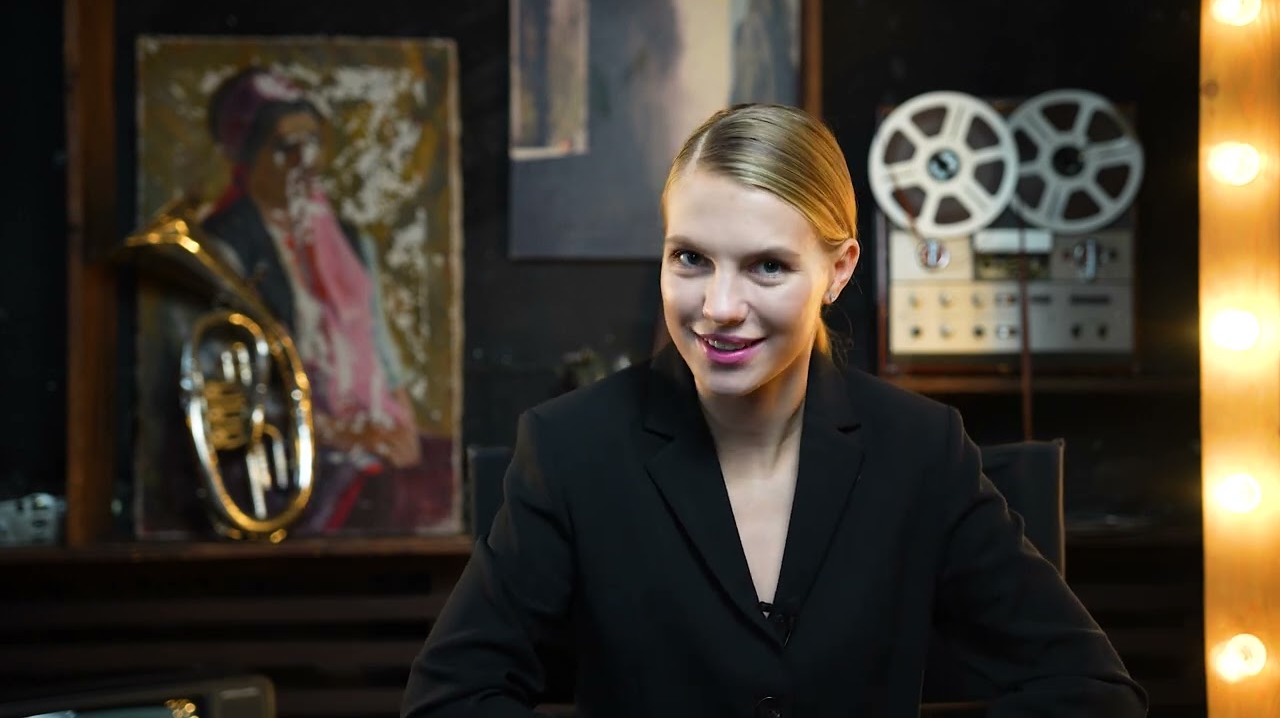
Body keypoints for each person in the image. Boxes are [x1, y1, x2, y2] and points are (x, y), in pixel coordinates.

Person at [401, 104, 1148, 716]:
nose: (719, 307)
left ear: (838, 270)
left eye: (767, 266)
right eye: (690, 258)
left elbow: (1090, 689)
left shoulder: (921, 447)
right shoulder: (571, 449)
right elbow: (450, 698)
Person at [200, 66, 452, 533]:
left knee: (440, 478)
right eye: (284, 147)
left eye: (312, 142)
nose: (304, 160)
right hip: (289, 442)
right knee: (383, 497)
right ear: (248, 156)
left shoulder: (352, 241)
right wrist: (340, 433)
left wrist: (402, 427)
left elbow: (381, 349)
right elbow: (230, 379)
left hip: (367, 426)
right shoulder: (226, 246)